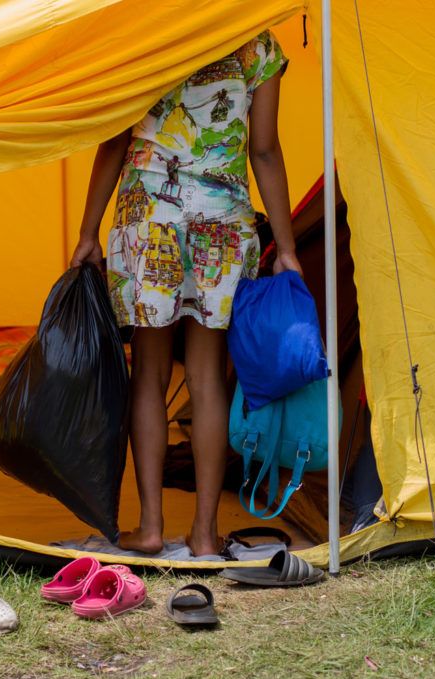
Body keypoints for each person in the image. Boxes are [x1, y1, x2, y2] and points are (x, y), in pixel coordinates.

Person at [71, 30, 302, 557]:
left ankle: (151, 527)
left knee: (148, 373)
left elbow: (114, 140)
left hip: (148, 212)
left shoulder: (152, 26)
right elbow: (264, 150)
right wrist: (285, 247)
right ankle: (203, 534)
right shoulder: (257, 44)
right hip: (222, 219)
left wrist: (88, 233)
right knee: (205, 377)